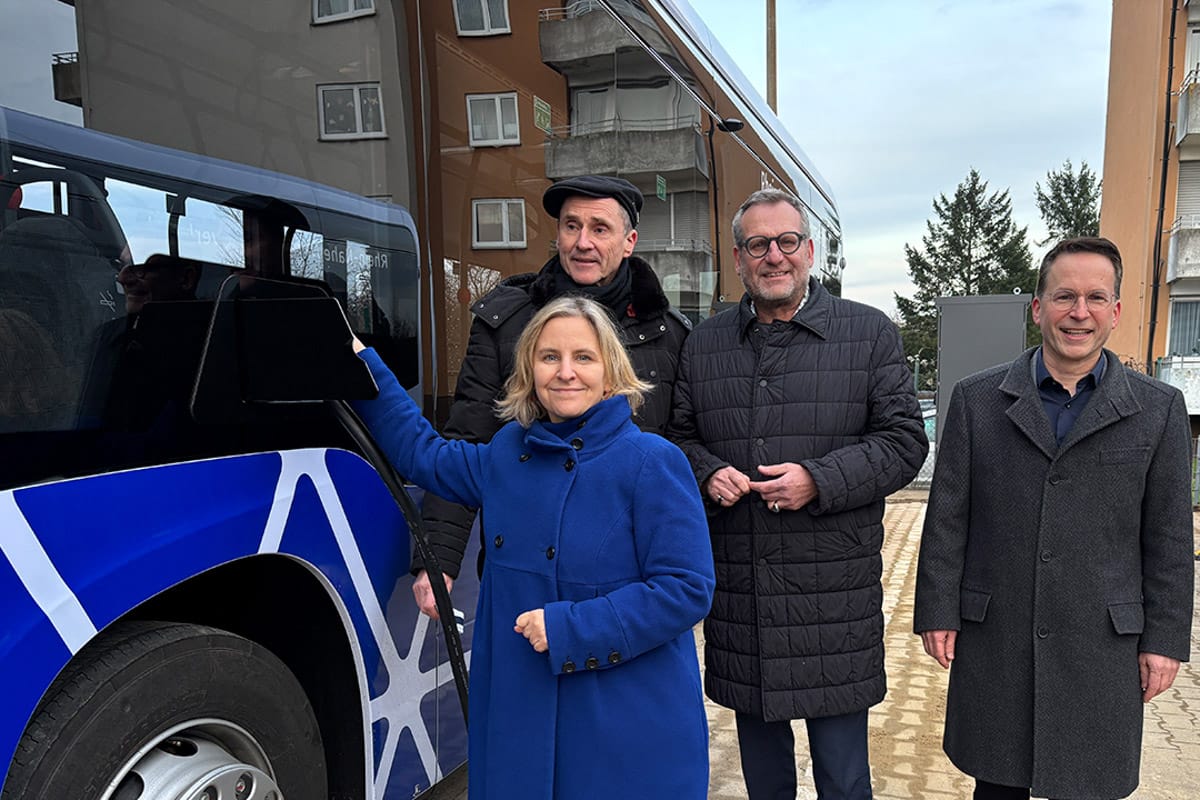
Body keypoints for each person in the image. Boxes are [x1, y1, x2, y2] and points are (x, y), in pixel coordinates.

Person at [351, 295, 714, 799]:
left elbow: (686, 589)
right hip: (520, 714)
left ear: (611, 372)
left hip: (620, 721)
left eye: (583, 357)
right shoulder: (507, 452)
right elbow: (422, 455)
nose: (565, 372)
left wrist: (570, 628)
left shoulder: (652, 461)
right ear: (529, 371)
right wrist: (361, 361)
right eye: (549, 357)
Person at [668, 188, 928, 799]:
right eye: (758, 244)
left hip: (832, 596)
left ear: (810, 251)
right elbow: (677, 439)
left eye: (787, 241)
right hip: (744, 595)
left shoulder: (868, 333)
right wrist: (706, 472)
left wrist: (819, 479)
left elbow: (904, 442)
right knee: (764, 779)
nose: (774, 256)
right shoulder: (705, 344)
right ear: (738, 258)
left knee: (843, 777)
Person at [913, 236, 1194, 800]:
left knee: (1089, 785)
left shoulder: (1159, 410)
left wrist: (1165, 640)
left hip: (1103, 646)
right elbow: (947, 520)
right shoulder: (977, 400)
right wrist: (937, 610)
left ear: (1116, 311)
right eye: (1065, 296)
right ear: (1038, 308)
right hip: (1000, 638)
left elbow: (1168, 538)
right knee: (998, 784)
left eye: (1096, 298)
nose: (1079, 312)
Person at [413, 175, 691, 618]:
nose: (583, 243)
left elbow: (681, 450)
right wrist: (439, 559)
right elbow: (467, 436)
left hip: (627, 580)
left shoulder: (669, 334)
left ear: (629, 242)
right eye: (571, 226)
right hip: (524, 570)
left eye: (600, 228)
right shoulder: (505, 322)